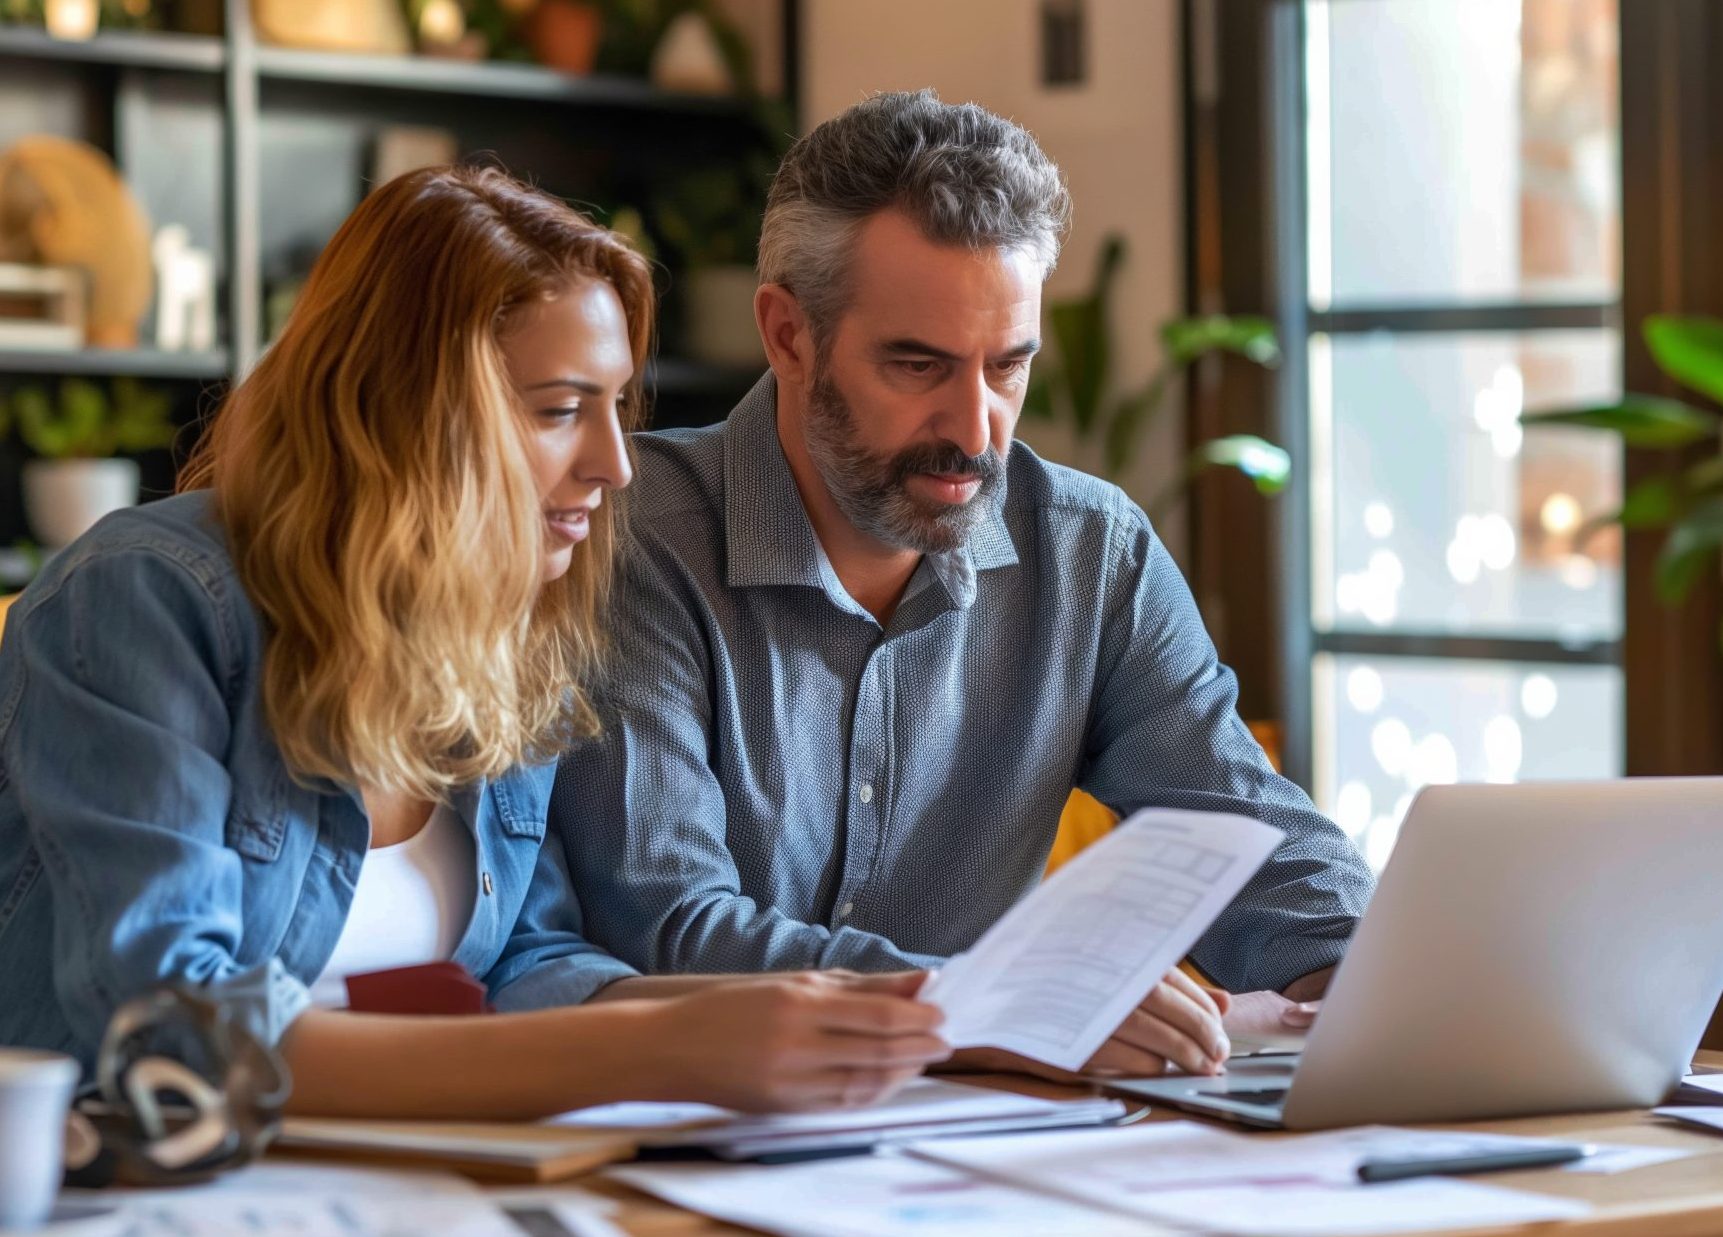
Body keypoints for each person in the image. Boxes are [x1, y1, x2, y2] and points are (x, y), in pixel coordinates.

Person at [0, 165, 947, 1119]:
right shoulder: (149, 599)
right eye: (558, 409)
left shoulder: (507, 638)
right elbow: (169, 1027)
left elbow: (529, 961)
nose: (615, 466)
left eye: (616, 407)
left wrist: (841, 1014)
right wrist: (649, 1047)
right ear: (399, 411)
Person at [553, 91, 1376, 1079]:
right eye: (918, 364)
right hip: (691, 1148)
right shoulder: (628, 545)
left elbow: (1247, 836)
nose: (977, 427)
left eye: (1007, 367)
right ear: (787, 334)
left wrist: (1370, 971)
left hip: (984, 1163)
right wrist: (988, 1006)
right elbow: (669, 931)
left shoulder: (1088, 553)